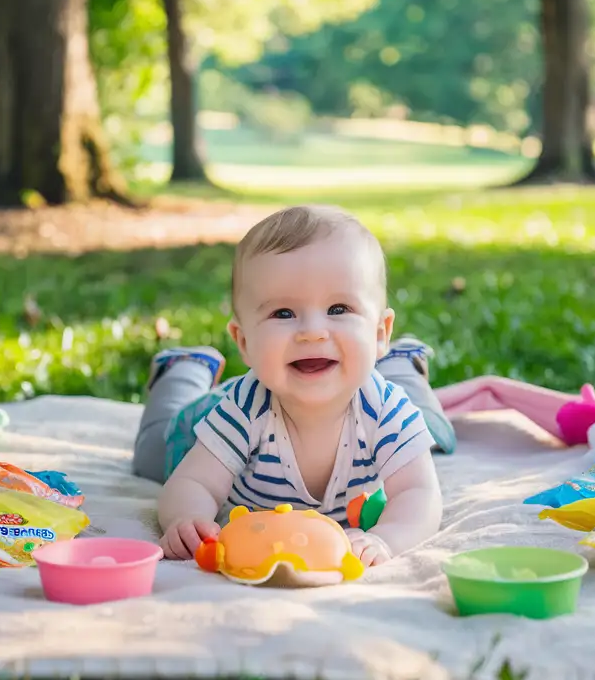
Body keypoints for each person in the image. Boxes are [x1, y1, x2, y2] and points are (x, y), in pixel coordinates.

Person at [133, 205, 455, 567]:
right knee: (151, 454)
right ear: (244, 343)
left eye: (338, 309)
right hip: (201, 423)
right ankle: (184, 368)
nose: (313, 332)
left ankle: (401, 362)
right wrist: (185, 518)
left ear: (380, 333)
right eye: (283, 313)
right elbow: (195, 483)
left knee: (436, 432)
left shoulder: (384, 409)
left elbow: (419, 492)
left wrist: (386, 538)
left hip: (373, 382)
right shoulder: (243, 408)